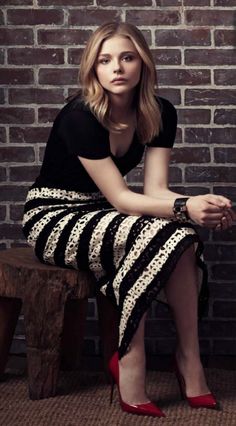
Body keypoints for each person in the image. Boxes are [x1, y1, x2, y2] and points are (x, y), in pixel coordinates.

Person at [22, 22, 235, 418]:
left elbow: (155, 190)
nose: (116, 68)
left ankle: (189, 357)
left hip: (104, 215)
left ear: (143, 64)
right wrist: (184, 208)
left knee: (181, 232)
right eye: (105, 60)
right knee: (163, 229)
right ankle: (131, 359)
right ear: (93, 70)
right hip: (54, 215)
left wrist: (200, 203)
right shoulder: (80, 116)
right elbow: (122, 198)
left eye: (126, 57)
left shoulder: (159, 113)